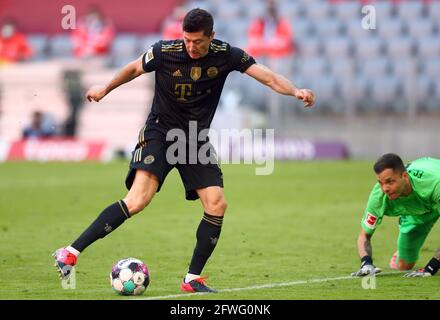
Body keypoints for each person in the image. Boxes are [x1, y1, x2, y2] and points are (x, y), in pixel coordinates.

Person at [53, 8, 315, 293]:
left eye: (198, 42)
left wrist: (295, 91)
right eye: (187, 40)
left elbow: (267, 76)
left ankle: (192, 279)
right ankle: (70, 252)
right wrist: (105, 88)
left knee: (216, 204)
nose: (191, 46)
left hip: (194, 140)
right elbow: (133, 68)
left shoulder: (226, 55)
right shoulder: (165, 51)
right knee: (138, 200)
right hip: (160, 132)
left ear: (211, 37)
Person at [352, 153, 440, 278]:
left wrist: (432, 266)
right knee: (403, 266)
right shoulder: (378, 197)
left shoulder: (435, 185)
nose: (385, 188)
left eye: (389, 182)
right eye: (381, 183)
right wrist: (366, 263)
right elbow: (364, 236)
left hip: (434, 189)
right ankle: (401, 253)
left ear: (404, 176)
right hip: (416, 213)